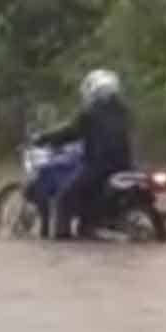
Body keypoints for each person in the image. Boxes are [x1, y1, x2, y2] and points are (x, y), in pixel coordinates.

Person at [32, 69, 133, 239]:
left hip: (99, 165)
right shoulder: (123, 110)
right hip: (125, 164)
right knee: (85, 190)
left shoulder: (90, 112)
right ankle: (89, 224)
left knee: (64, 196)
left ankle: (62, 236)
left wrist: (44, 138)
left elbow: (70, 131)